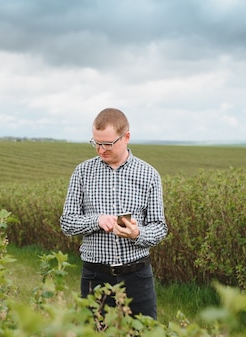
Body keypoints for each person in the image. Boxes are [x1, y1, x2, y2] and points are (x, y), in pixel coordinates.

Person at [60, 108, 167, 320]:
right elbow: (67, 222)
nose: (101, 150)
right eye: (96, 143)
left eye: (107, 144)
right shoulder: (82, 172)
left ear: (126, 137)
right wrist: (97, 220)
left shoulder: (149, 174)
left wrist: (137, 234)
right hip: (95, 275)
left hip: (137, 276)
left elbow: (159, 227)